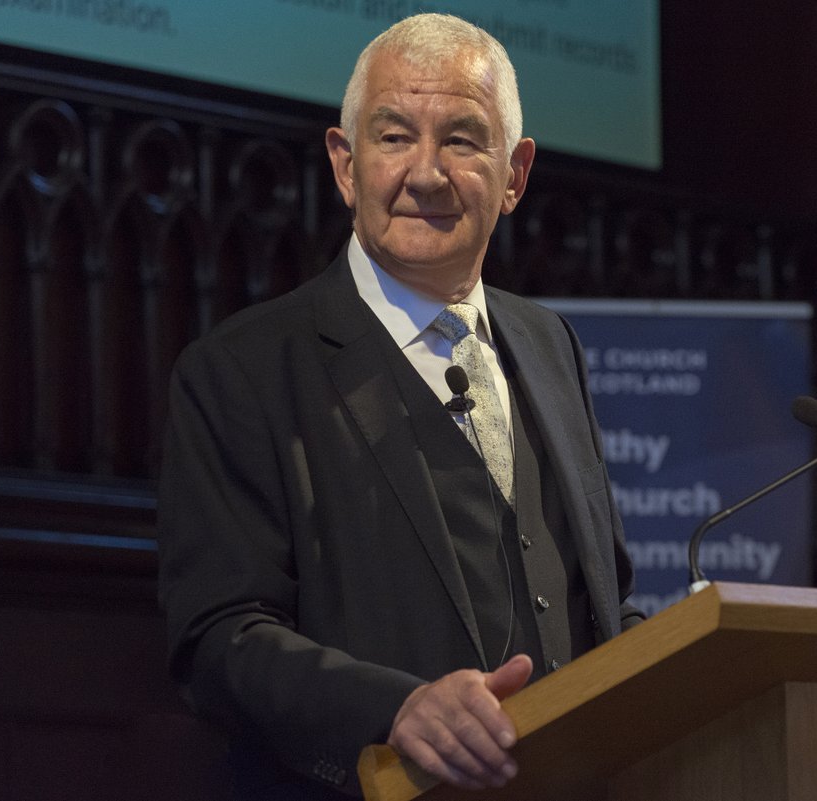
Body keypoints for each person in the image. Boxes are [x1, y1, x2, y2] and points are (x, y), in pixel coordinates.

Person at [157, 13, 643, 800]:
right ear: (345, 165)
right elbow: (220, 640)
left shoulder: (551, 345)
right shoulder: (239, 371)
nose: (425, 173)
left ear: (515, 174)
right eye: (392, 137)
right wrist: (397, 709)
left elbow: (602, 602)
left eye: (461, 139)